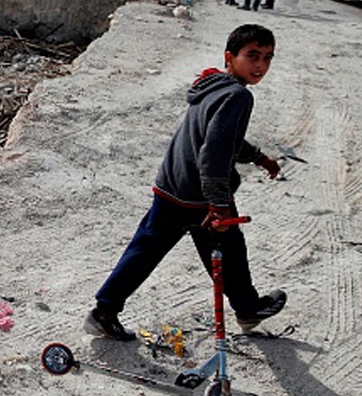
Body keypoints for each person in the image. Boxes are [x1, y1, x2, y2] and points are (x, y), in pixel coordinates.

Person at [85, 24, 287, 341]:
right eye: (252, 55)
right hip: (198, 196)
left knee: (148, 249)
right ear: (230, 57)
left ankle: (104, 311)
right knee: (228, 248)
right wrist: (219, 205)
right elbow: (214, 154)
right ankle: (247, 309)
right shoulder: (237, 96)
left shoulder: (212, 85)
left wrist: (259, 158)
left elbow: (224, 140)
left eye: (267, 58)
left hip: (171, 185)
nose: (260, 65)